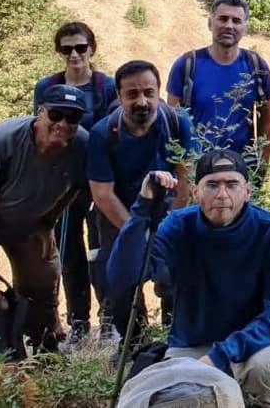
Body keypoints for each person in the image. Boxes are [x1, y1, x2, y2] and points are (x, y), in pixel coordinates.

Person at [107, 152, 270, 407]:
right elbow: (123, 275)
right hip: (191, 343)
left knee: (266, 368)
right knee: (180, 396)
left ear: (247, 191)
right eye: (212, 185)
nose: (222, 194)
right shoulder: (177, 226)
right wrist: (143, 207)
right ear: (195, 192)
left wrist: (221, 355)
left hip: (255, 341)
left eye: (231, 185)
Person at [0, 85, 92, 354]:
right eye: (56, 115)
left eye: (73, 118)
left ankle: (45, 344)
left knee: (43, 274)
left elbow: (74, 189)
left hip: (26, 217)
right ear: (40, 112)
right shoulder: (6, 138)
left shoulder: (82, 145)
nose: (63, 124)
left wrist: (47, 224)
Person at [87, 60, 197, 334]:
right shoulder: (103, 133)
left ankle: (175, 340)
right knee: (121, 284)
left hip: (170, 210)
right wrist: (136, 232)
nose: (142, 101)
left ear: (158, 92)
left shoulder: (177, 123)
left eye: (149, 92)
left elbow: (188, 176)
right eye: (132, 94)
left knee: (177, 276)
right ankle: (133, 345)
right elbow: (102, 194)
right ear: (119, 96)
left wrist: (170, 224)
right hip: (120, 213)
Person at [32, 21, 117, 347]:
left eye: (80, 47)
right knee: (68, 253)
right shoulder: (46, 87)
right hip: (62, 183)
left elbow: (112, 134)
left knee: (101, 254)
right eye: (67, 49)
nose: (74, 54)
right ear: (59, 52)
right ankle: (78, 323)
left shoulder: (106, 86)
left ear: (92, 48)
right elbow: (39, 129)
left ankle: (108, 321)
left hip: (97, 183)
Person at [166, 0, 270, 184]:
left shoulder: (257, 67)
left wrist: (260, 171)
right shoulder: (187, 65)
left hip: (240, 171)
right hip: (197, 171)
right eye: (223, 19)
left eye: (236, 20)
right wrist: (184, 174)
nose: (229, 26)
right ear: (210, 23)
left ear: (245, 27)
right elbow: (172, 123)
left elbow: (265, 122)